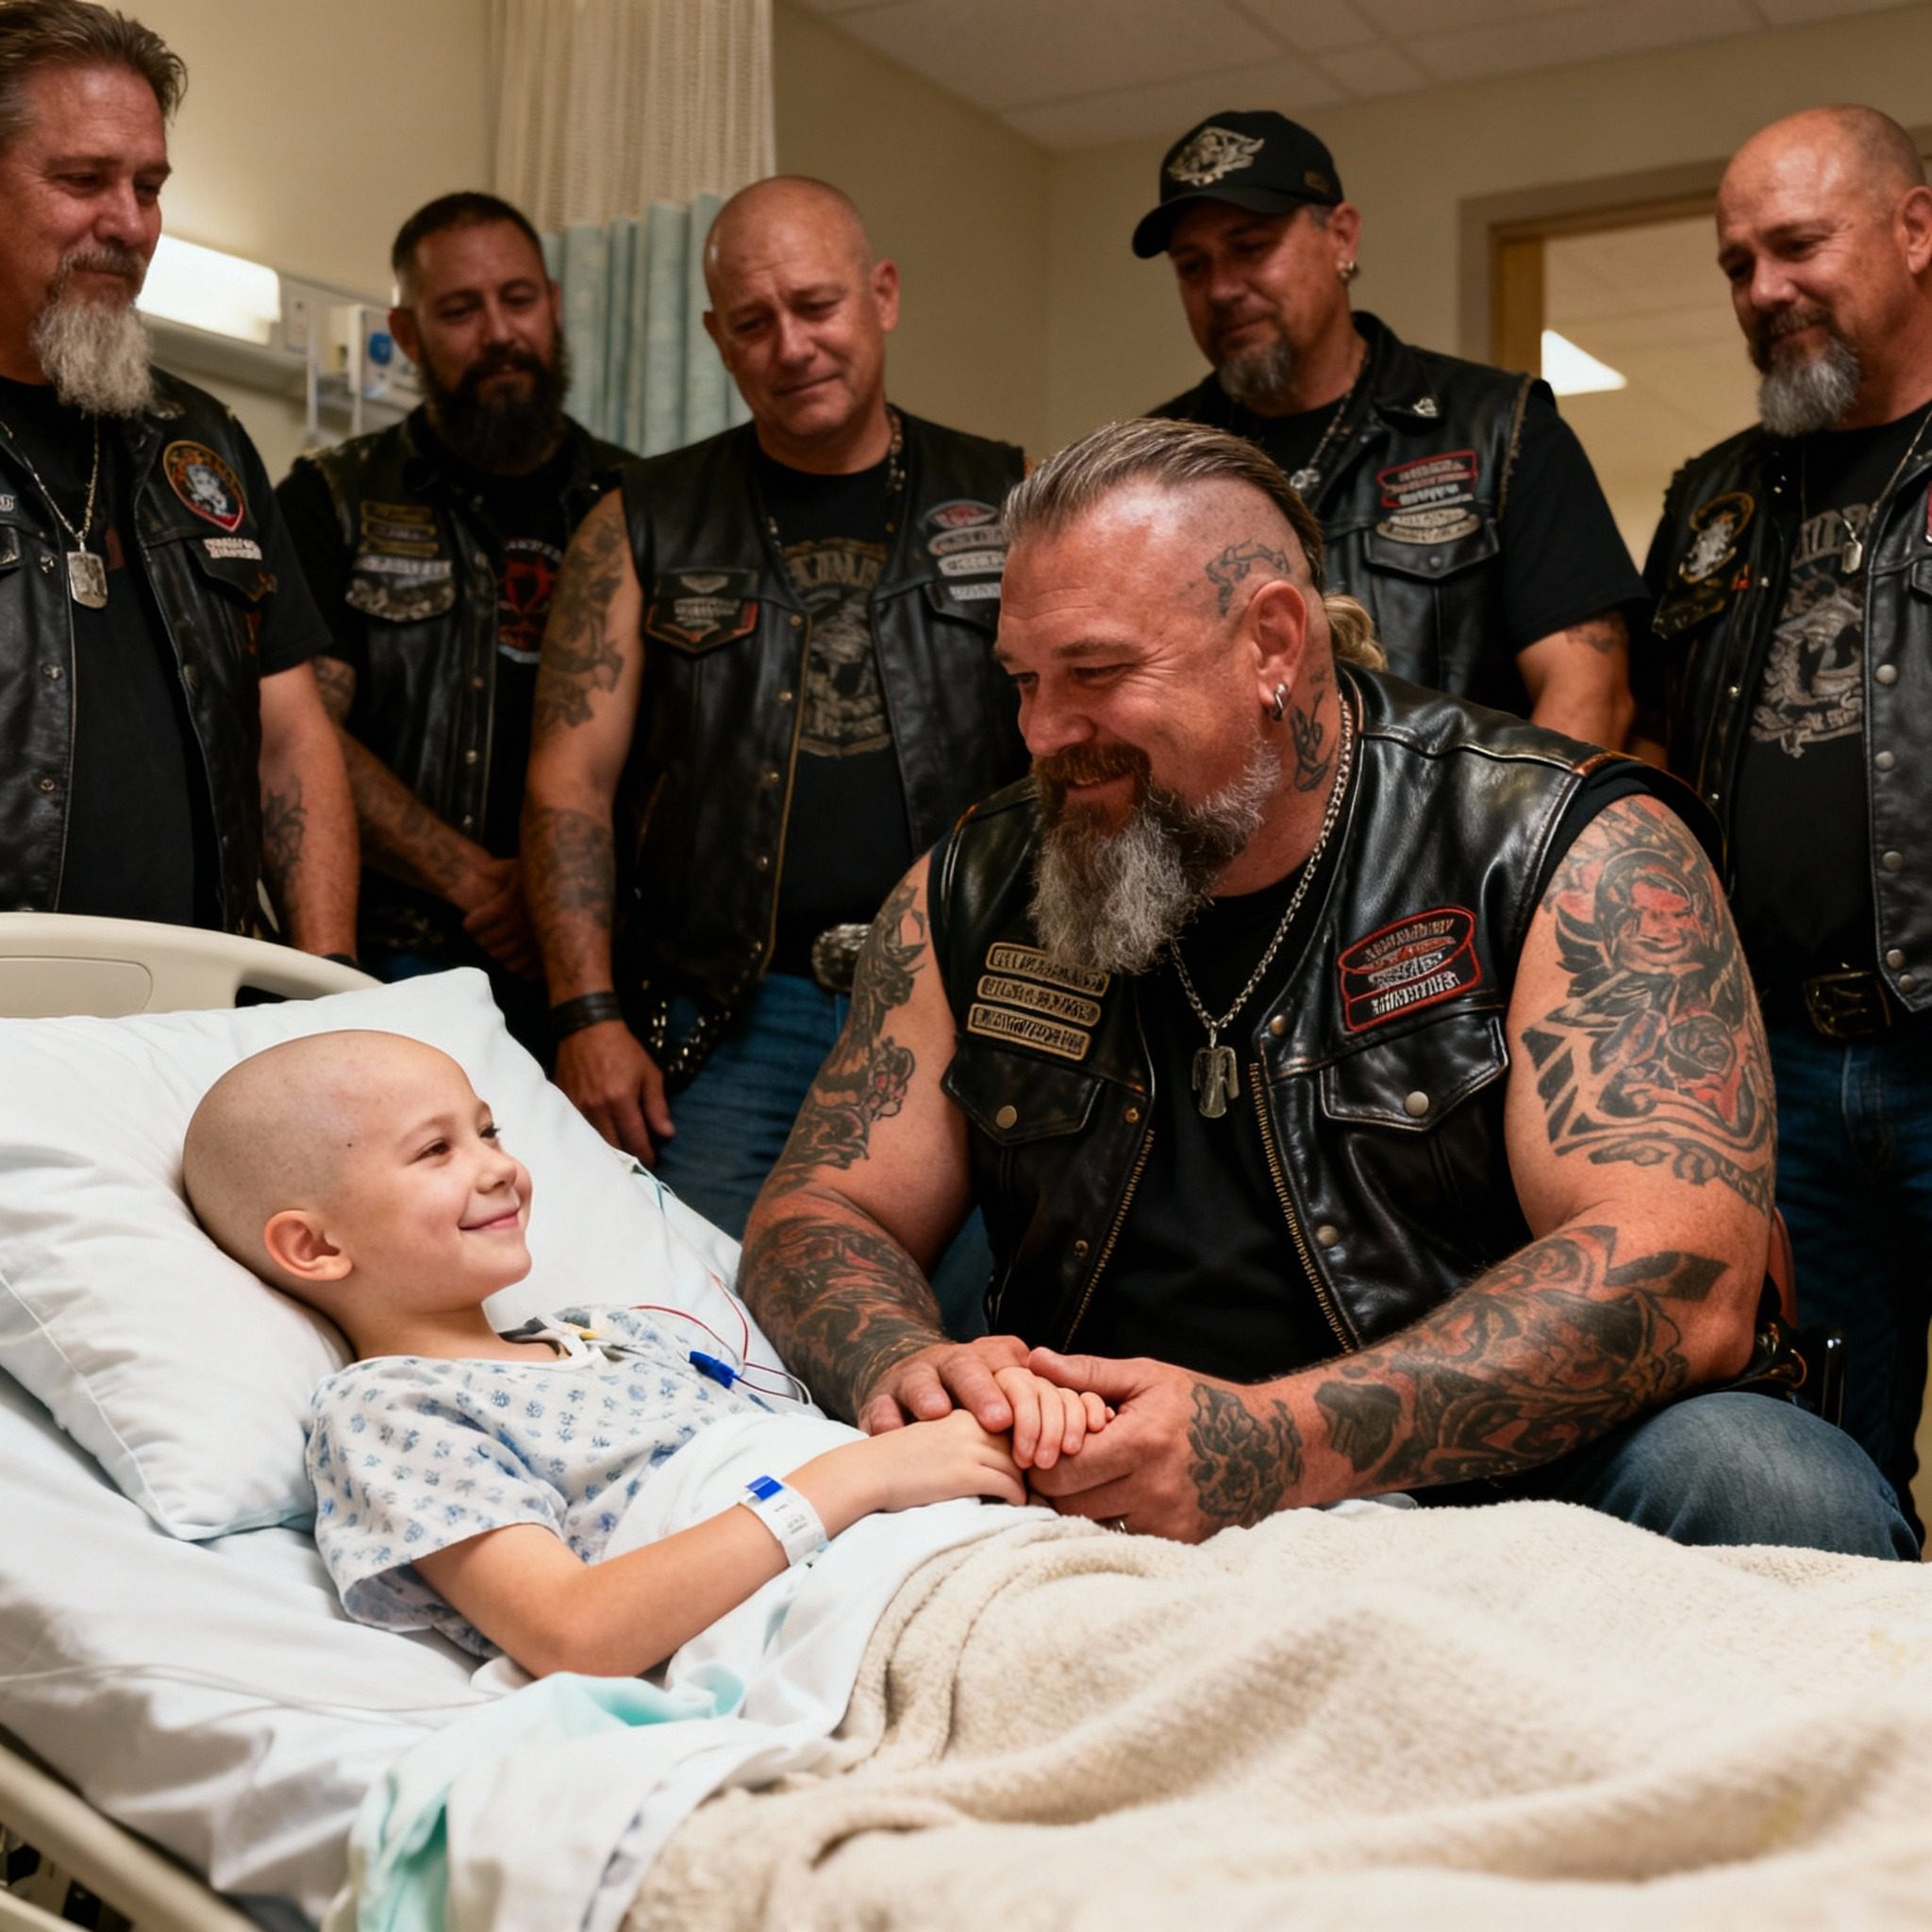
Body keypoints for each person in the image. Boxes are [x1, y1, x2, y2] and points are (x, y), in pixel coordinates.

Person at [734, 415, 1913, 1560]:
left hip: (1504, 1482)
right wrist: (902, 1358)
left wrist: (1270, 1442)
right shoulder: (972, 887)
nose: (1042, 730)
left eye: (1094, 672)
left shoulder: (1561, 847)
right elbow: (817, 1211)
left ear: (1271, 642)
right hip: (1107, 1481)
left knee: (1763, 1478)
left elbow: (1677, 1270)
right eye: (1023, 679)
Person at [179, 1029, 1105, 1677]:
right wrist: (862, 1475)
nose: (498, 1166)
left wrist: (1006, 1429)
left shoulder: (621, 1334)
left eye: (488, 1130)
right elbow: (572, 1632)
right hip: (868, 1621)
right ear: (314, 1246)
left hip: (972, 1553)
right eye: (434, 1151)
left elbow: (809, 1453)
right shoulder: (393, 1408)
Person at [522, 175, 1026, 1279]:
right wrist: (585, 1013)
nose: (791, 346)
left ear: (881, 294)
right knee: (705, 1319)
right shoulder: (640, 519)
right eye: (753, 322)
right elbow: (570, 782)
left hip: (965, 1004)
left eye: (816, 305)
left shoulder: (1014, 499)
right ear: (715, 337)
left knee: (964, 1336)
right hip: (725, 1017)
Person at [1638, 105, 1932, 1542]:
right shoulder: (1712, 503)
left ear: (1917, 231)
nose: (1765, 290)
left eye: (1799, 246)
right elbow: (1644, 757)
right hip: (1778, 1074)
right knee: (1818, 1467)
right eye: (1737, 264)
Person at [0, 0, 355, 951]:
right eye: (83, 180)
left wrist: (327, 979)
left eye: (149, 187)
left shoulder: (200, 440)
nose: (128, 223)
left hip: (200, 1002)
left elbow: (290, 738)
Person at [1138, 109, 1641, 747]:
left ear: (1341, 237)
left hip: (1458, 813)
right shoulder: (1150, 469)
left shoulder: (1501, 429)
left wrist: (1491, 820)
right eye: (1192, 266)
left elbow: (1589, 697)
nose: (1221, 289)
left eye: (1251, 248)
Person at [276, 192, 630, 1053]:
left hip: (605, 968)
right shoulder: (333, 500)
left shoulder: (640, 503)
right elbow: (298, 728)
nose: (499, 333)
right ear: (407, 330)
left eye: (519, 300)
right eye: (461, 310)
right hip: (400, 955)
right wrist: (477, 882)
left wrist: (560, 900)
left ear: (553, 303)